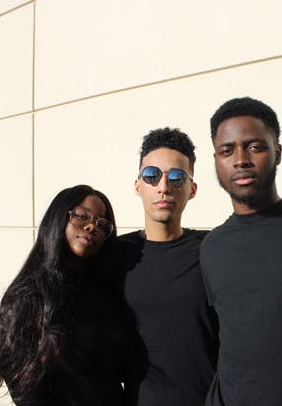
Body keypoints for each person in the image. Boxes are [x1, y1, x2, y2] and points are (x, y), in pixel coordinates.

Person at [201, 97, 282, 406]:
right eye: (227, 151)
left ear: (277, 152)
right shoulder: (212, 247)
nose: (240, 160)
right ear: (215, 159)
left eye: (255, 147)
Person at [0, 185, 135, 406]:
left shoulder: (106, 292)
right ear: (58, 218)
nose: (91, 226)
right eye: (82, 216)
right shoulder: (28, 296)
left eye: (101, 224)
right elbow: (24, 390)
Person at [119, 127, 219, 406]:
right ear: (138, 185)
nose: (163, 187)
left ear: (192, 189)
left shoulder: (213, 250)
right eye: (152, 175)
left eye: (176, 177)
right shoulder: (114, 254)